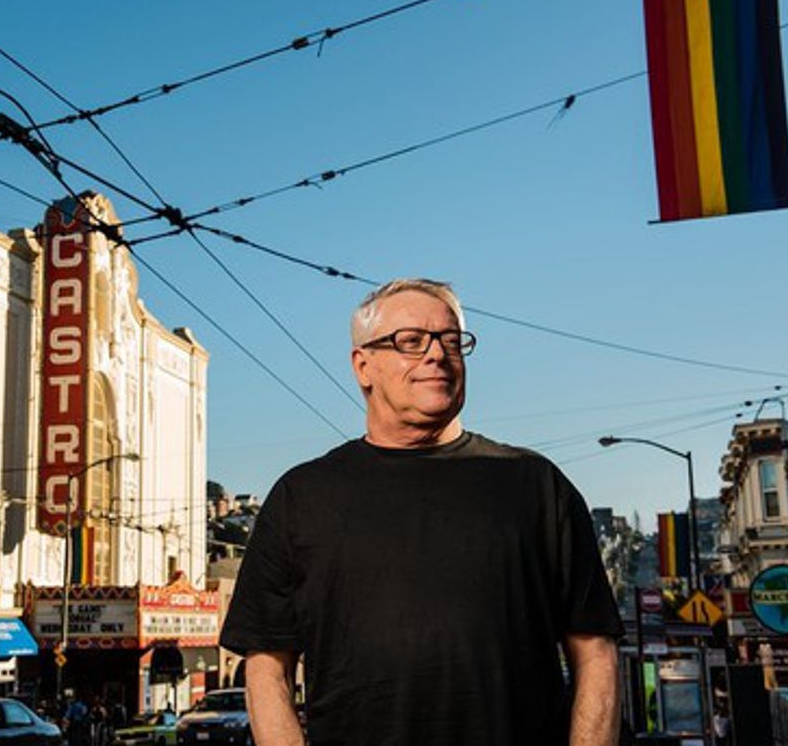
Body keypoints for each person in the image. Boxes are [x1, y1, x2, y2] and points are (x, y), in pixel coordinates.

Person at [220, 279, 624, 746]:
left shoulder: (537, 485)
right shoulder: (300, 497)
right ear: (363, 366)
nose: (437, 354)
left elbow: (596, 653)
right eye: (410, 341)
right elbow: (267, 667)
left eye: (451, 340)